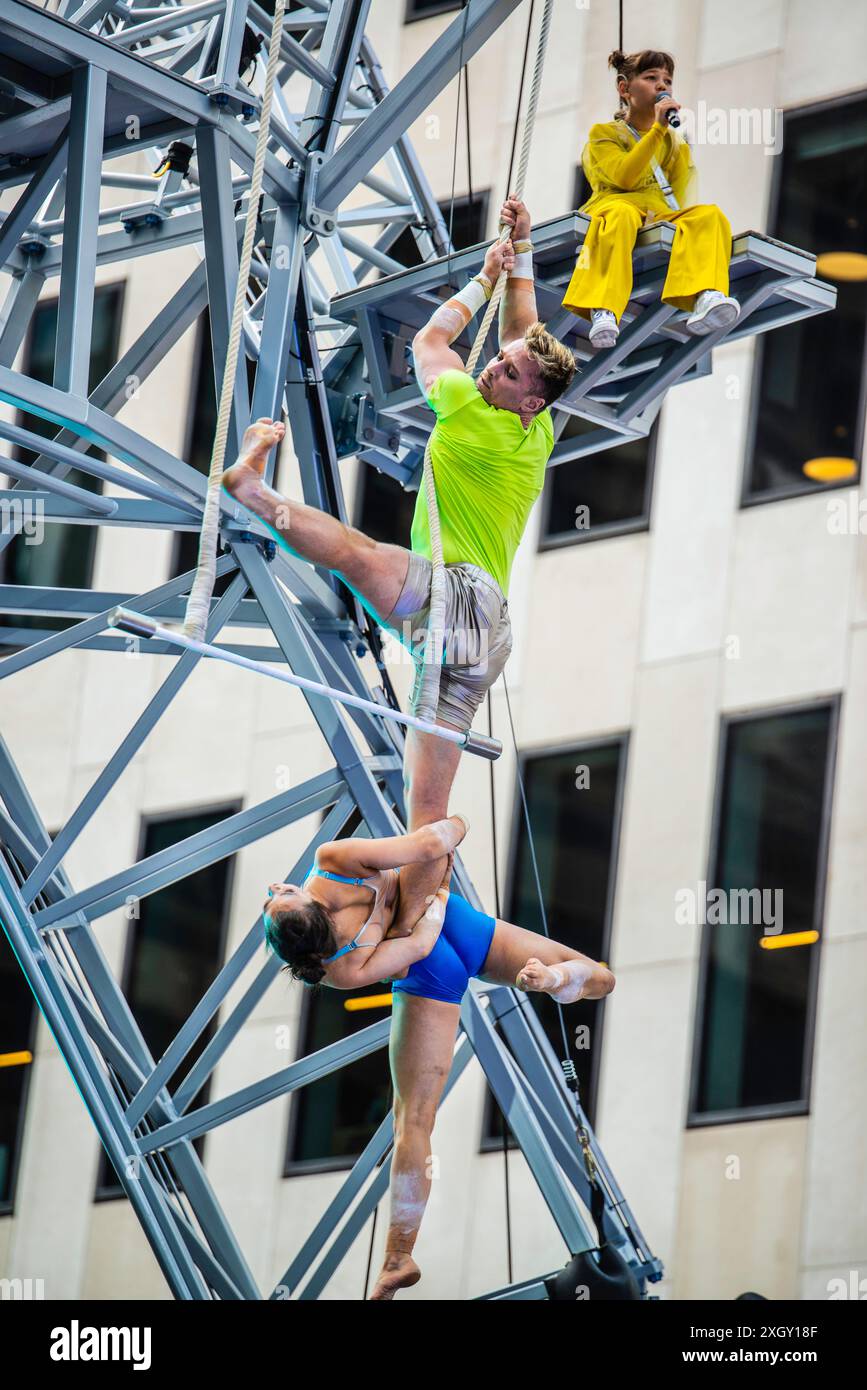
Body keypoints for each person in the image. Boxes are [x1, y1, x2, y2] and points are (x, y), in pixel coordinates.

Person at [222, 200, 575, 939]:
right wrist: (522, 251)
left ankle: (254, 492)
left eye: (504, 372)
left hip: (464, 611)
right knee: (424, 815)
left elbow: (432, 338)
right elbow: (525, 334)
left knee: (356, 555)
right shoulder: (532, 431)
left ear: (525, 399)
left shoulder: (466, 409)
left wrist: (483, 278)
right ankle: (418, 927)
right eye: (497, 363)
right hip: (476, 631)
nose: (491, 368)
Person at [262, 815, 614, 1300]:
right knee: (600, 977)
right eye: (279, 895)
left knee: (413, 1119)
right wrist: (455, 831)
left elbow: (411, 952)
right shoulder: (332, 862)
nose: (275, 886)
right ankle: (558, 980)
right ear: (309, 902)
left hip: (432, 972)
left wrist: (422, 897)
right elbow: (431, 850)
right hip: (454, 929)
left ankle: (398, 1255)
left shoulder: (333, 970)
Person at [562, 48, 740, 350]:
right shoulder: (604, 134)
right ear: (625, 88)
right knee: (620, 217)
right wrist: (658, 129)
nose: (662, 86)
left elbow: (682, 195)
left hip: (656, 213)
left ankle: (705, 294)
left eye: (667, 80)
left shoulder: (673, 144)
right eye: (651, 77)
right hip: (614, 206)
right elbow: (623, 177)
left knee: (709, 216)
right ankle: (604, 307)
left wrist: (676, 146)